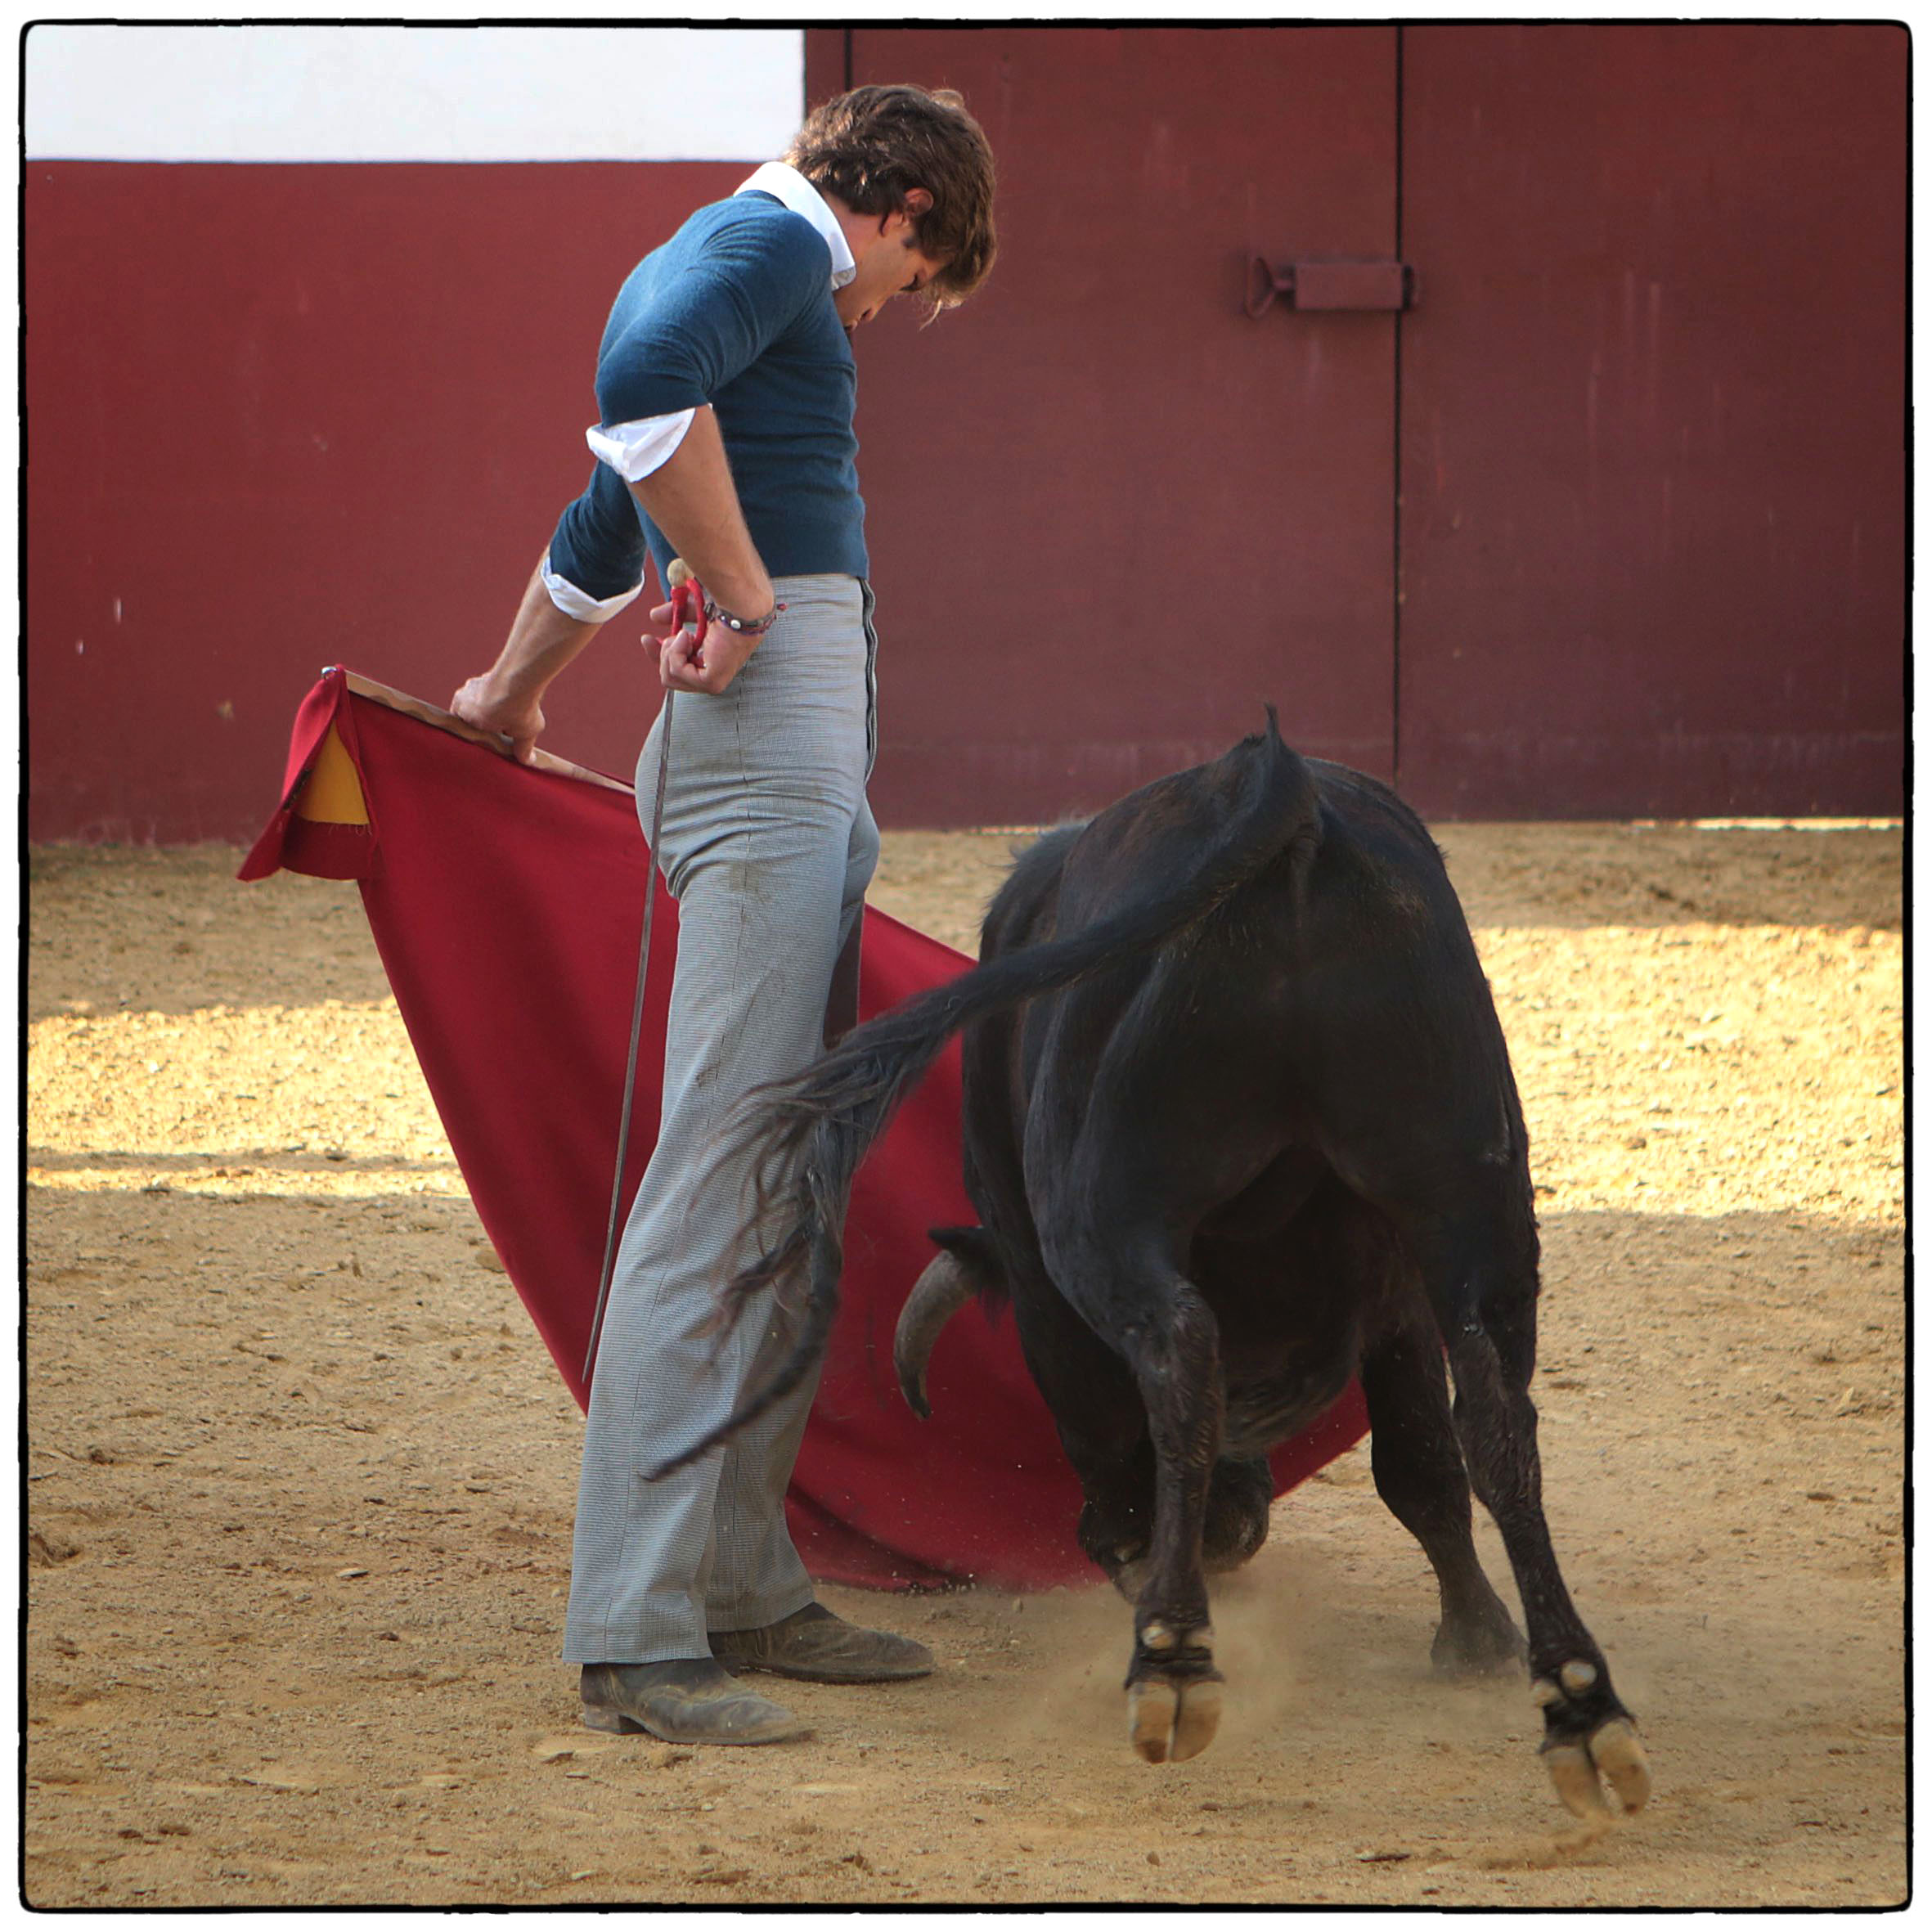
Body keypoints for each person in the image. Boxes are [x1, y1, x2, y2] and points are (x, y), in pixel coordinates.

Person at [450, 85, 997, 1746]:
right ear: (897, 207)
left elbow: (607, 521)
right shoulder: (770, 243)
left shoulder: (741, 278)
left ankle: (744, 1572)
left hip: (784, 758)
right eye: (915, 277)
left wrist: (502, 692)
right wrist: (753, 598)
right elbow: (632, 398)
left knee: (785, 1164)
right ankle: (633, 1622)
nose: (887, 309)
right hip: (766, 749)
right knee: (724, 1163)